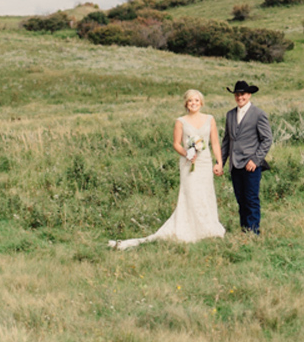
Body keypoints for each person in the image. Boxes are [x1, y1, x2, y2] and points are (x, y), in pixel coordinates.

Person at [109, 89, 226, 250]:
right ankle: (191, 228)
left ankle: (208, 227)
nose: (194, 103)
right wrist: (187, 153)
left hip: (205, 162)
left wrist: (219, 162)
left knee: (205, 193)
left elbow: (215, 143)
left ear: (201, 103)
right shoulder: (181, 121)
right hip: (189, 163)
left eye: (196, 100)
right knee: (191, 193)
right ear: (186, 103)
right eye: (190, 101)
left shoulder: (210, 119)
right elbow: (176, 143)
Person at [221, 80, 272, 235]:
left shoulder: (259, 114)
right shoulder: (230, 114)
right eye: (237, 94)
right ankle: (244, 229)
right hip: (234, 164)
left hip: (251, 164)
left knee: (251, 198)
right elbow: (227, 141)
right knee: (240, 199)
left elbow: (267, 139)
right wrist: (220, 162)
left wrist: (255, 160)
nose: (240, 97)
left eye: (242, 94)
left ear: (249, 95)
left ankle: (253, 231)